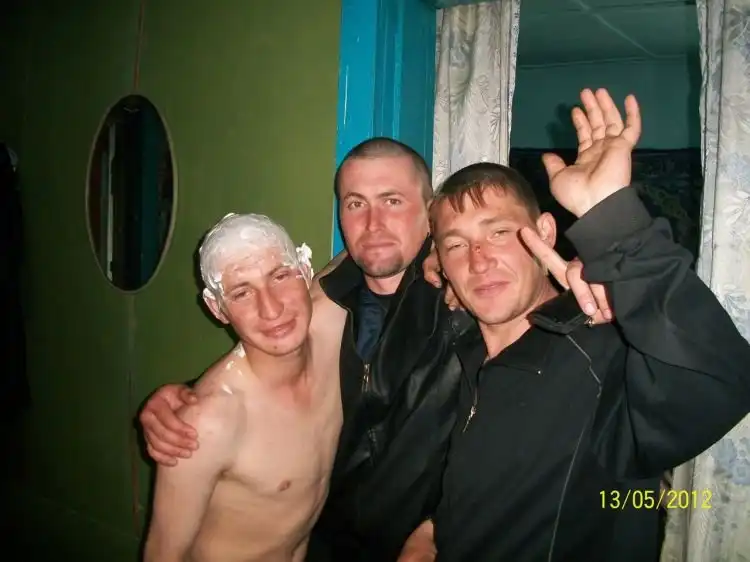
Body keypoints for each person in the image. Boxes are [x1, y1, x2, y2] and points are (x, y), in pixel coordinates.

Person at [139, 139, 608, 561]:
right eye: (355, 204)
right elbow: (262, 348)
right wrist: (184, 400)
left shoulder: (474, 303)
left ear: (429, 214)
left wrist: (598, 293)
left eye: (392, 201)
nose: (373, 224)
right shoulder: (323, 300)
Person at [404, 88, 750, 561]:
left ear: (545, 232)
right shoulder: (468, 351)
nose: (478, 261)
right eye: (457, 244)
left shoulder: (603, 352)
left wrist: (616, 222)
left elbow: (717, 383)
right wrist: (434, 530)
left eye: (499, 233)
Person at [143, 213, 346, 562]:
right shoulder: (209, 422)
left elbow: (383, 235)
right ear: (217, 309)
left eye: (280, 275)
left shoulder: (333, 323)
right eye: (242, 292)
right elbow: (163, 554)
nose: (272, 308)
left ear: (305, 270)